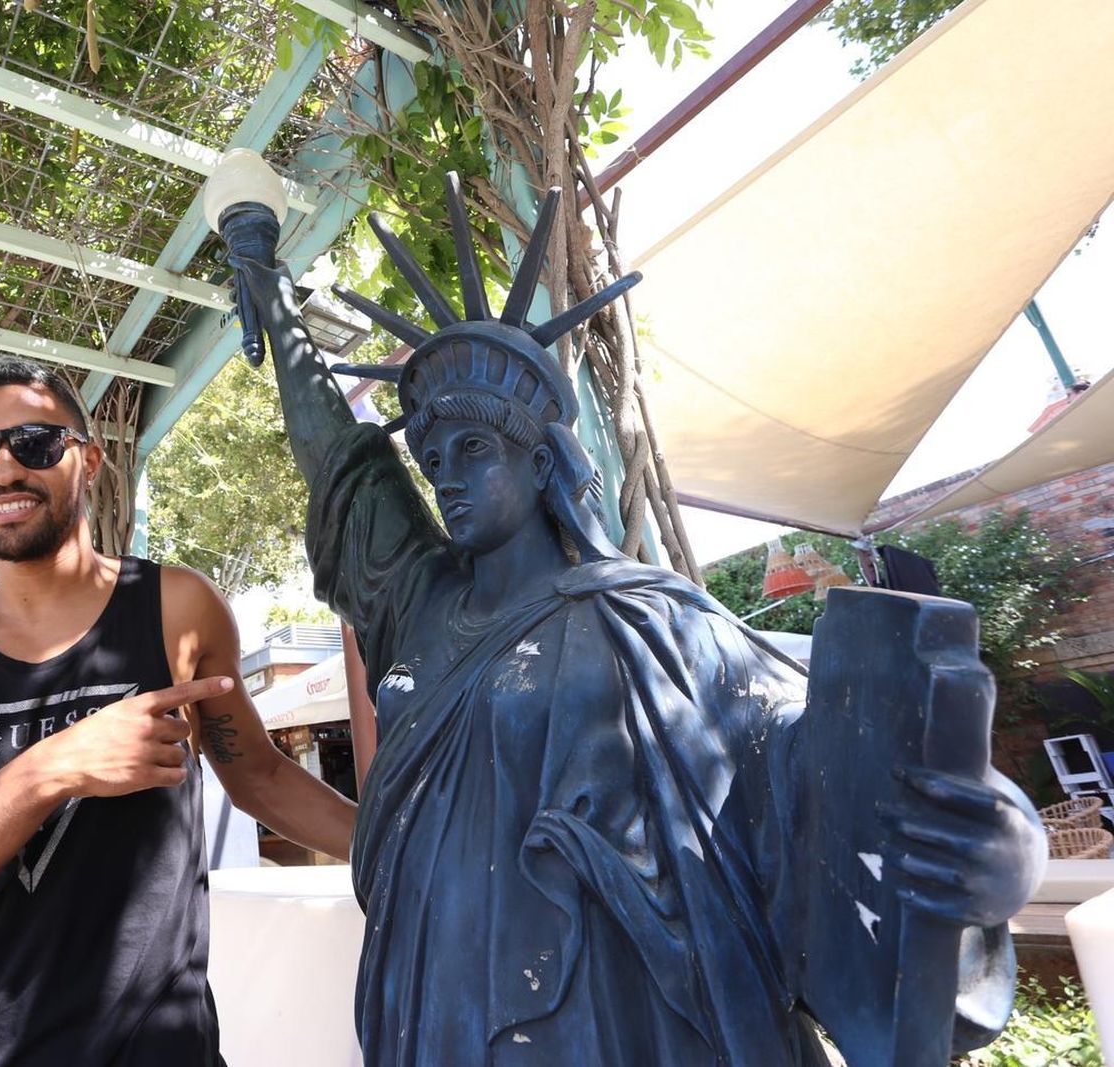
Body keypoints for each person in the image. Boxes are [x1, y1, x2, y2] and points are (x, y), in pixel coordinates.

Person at [212, 168, 1044, 1065]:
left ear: (541, 467)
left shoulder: (653, 621)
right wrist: (261, 276)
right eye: (433, 454)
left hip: (616, 1027)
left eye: (475, 448)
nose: (445, 474)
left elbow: (813, 761)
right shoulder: (416, 604)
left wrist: (985, 835)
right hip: (430, 1015)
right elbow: (338, 455)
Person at [0, 357, 357, 1066]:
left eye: (35, 443)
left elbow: (261, 777)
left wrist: (402, 847)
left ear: (88, 460)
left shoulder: (179, 609)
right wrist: (56, 767)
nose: (2, 468)